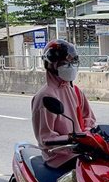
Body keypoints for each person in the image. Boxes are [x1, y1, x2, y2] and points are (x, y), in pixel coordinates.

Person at [31, 39, 96, 170]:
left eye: (72, 62)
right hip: (60, 157)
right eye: (64, 63)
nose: (70, 66)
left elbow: (89, 119)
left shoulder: (75, 91)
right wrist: (72, 140)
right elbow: (46, 138)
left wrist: (88, 134)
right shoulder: (45, 97)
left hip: (82, 150)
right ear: (51, 65)